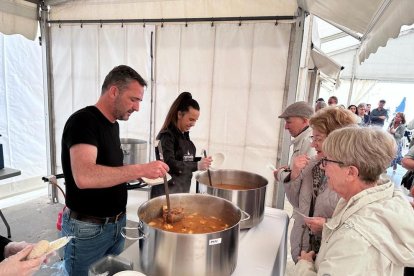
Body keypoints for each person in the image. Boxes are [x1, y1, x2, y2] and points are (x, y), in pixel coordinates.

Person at [61, 65, 169, 275]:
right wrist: (139, 168)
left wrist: (142, 174)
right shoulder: (83, 121)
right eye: (133, 99)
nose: (137, 108)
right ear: (113, 91)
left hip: (116, 226)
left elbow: (110, 171)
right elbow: (85, 176)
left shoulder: (113, 125)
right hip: (87, 230)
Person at [294, 127, 414, 275]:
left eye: (327, 161)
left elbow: (356, 239)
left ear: (351, 172)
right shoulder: (388, 196)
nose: (323, 167)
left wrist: (304, 265)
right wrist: (329, 228)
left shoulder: (353, 238)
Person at [284, 107, 357, 263]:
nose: (312, 145)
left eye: (318, 139)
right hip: (304, 245)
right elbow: (296, 203)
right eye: (313, 138)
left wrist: (327, 226)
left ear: (337, 140)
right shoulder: (314, 164)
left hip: (329, 255)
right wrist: (294, 175)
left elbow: (358, 227)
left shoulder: (354, 176)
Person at [151, 92, 211, 198]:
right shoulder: (167, 136)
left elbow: (183, 158)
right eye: (191, 119)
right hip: (165, 195)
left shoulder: (184, 135)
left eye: (195, 120)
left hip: (181, 192)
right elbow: (169, 163)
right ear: (179, 114)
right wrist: (197, 165)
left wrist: (201, 161)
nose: (193, 124)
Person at [273, 101, 315, 183]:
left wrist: (279, 174)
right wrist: (290, 168)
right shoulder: (303, 139)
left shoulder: (310, 142)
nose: (286, 127)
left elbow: (304, 180)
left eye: (289, 122)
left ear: (305, 121)